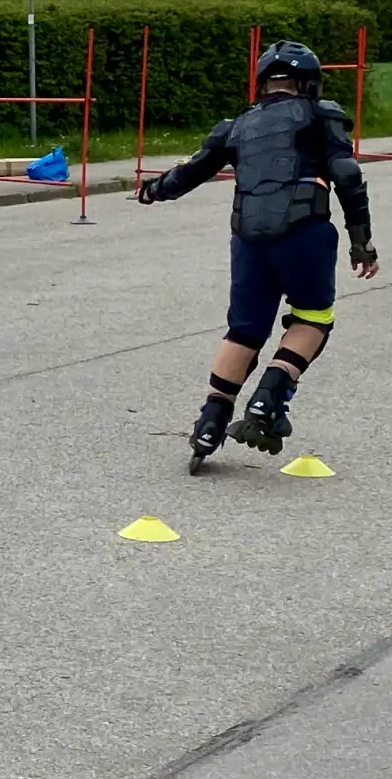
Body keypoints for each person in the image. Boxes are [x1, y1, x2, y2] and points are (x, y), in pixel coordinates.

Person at [136, 39, 378, 464]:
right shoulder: (321, 115)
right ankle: (270, 397)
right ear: (308, 83)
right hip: (304, 233)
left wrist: (154, 190)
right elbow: (347, 174)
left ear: (263, 83)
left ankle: (210, 424)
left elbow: (192, 170)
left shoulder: (237, 125)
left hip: (248, 241)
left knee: (244, 331)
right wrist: (362, 241)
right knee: (313, 316)